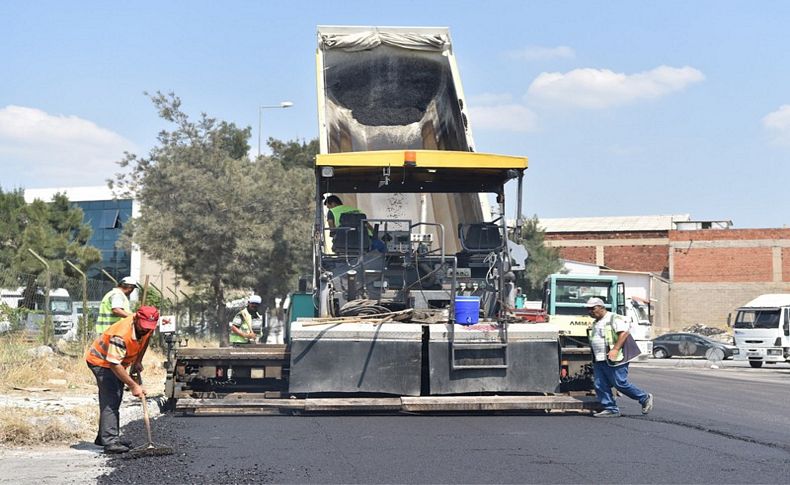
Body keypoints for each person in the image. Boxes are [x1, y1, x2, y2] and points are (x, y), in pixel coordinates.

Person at [85, 305, 159, 454]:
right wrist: (133, 385)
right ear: (136, 318)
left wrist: (138, 361)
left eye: (148, 327)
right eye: (143, 326)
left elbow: (146, 339)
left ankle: (104, 436)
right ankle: (110, 441)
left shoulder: (147, 326)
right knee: (112, 398)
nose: (145, 329)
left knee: (115, 397)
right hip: (101, 362)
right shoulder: (121, 334)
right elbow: (113, 363)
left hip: (117, 362)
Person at [585, 297, 653, 418]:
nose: (590, 311)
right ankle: (610, 408)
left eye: (593, 308)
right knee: (599, 384)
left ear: (601, 307)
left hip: (615, 358)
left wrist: (615, 349)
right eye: (588, 309)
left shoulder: (614, 318)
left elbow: (623, 333)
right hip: (600, 358)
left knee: (619, 383)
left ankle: (644, 397)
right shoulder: (596, 323)